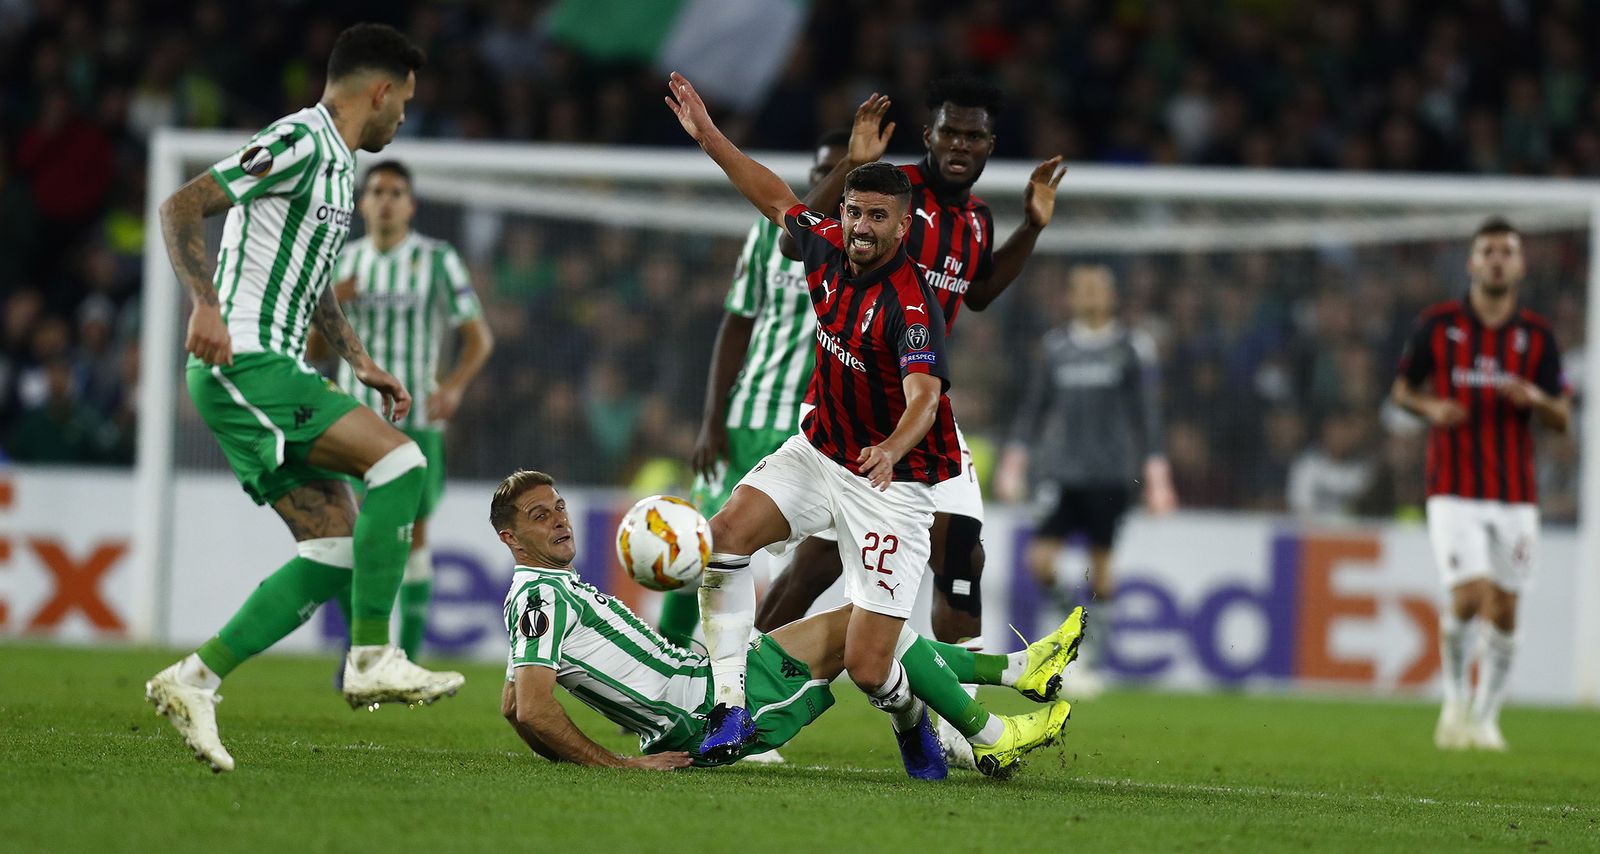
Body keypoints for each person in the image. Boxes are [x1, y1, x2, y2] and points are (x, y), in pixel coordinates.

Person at [664, 72, 1070, 778]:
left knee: (870, 662)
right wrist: (709, 138)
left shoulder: (911, 304)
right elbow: (770, 194)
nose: (860, 227)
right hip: (819, 450)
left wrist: (890, 448)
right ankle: (729, 699)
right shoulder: (824, 247)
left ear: (902, 227)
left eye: (877, 218)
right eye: (854, 212)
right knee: (723, 537)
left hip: (897, 481)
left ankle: (953, 722)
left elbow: (923, 396)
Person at [143, 23, 463, 774]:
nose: (404, 119)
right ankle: (373, 655)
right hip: (244, 362)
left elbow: (311, 278)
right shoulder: (298, 140)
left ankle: (194, 678)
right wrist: (205, 304)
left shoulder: (338, 170)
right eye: (405, 104)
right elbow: (180, 206)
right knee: (401, 465)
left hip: (272, 368)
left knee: (336, 549)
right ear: (378, 91)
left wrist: (362, 360)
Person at [493, 470, 1083, 777]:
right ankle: (992, 733)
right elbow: (534, 708)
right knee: (867, 620)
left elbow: (513, 705)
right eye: (539, 517)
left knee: (866, 623)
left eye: (559, 507)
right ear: (510, 537)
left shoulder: (541, 593)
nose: (559, 522)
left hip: (700, 686)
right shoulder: (540, 595)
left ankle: (1017, 672)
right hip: (703, 707)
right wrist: (619, 766)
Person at [655, 129, 850, 650]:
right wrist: (711, 419)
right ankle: (667, 663)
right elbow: (737, 323)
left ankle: (748, 671)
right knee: (700, 546)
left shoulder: (862, 247)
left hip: (816, 430)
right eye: (821, 170)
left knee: (810, 567)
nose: (829, 180)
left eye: (844, 171)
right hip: (747, 416)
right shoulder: (770, 236)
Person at [1390, 217, 1570, 752]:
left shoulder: (1536, 337)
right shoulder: (1438, 324)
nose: (1496, 259)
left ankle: (1486, 717)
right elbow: (1401, 389)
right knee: (1468, 595)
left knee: (1507, 607)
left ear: (1519, 265)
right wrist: (1429, 407)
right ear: (1471, 263)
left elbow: (1563, 415)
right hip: (1452, 486)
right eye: (1487, 250)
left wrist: (1536, 401)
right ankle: (1452, 700)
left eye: (1506, 251)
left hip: (1516, 494)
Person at [320, 159, 495, 662]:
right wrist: (333, 304)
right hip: (355, 423)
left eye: (397, 191)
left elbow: (478, 337)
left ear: (411, 205)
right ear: (362, 203)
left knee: (413, 535)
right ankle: (361, 651)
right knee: (352, 536)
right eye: (377, 190)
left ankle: (407, 658)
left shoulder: (438, 259)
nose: (387, 199)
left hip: (418, 423)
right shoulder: (343, 264)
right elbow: (313, 346)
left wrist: (456, 387)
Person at [995, 264, 1176, 698]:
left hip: (1110, 475)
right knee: (1039, 561)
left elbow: (1146, 416)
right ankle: (1070, 630)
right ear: (1070, 297)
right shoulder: (1057, 347)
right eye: (1082, 288)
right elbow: (1034, 409)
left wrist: (1157, 477)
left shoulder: (1131, 348)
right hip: (1062, 473)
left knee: (1103, 571)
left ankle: (1091, 657)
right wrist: (1014, 463)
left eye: (1099, 288)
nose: (1091, 295)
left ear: (1111, 295)